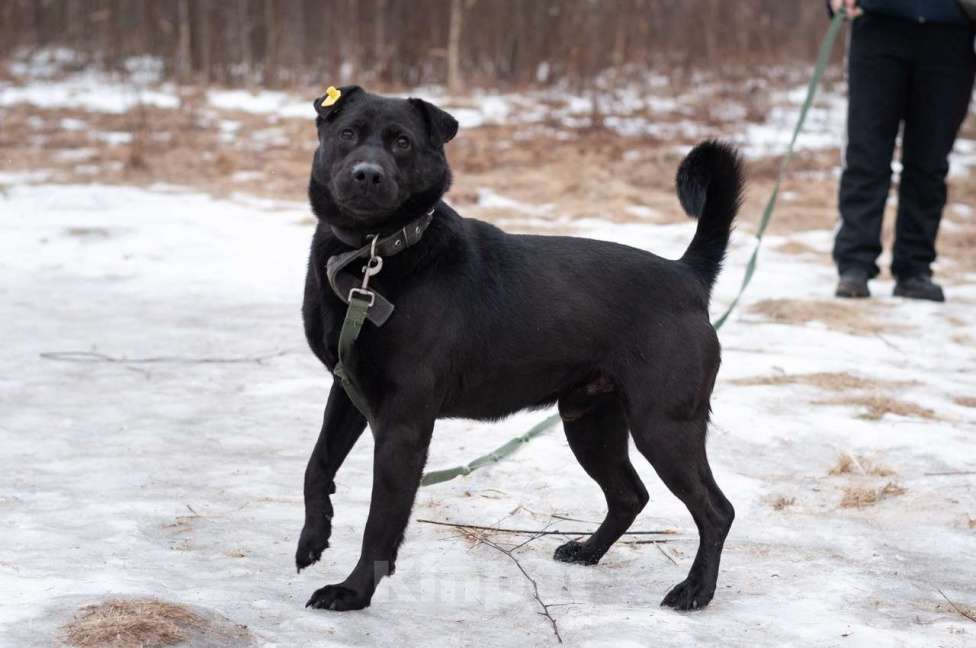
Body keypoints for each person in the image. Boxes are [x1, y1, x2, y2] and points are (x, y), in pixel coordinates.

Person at [831, 0, 975, 302]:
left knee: (930, 161)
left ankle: (915, 269)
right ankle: (855, 264)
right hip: (880, 26)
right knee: (866, 153)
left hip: (952, 33)